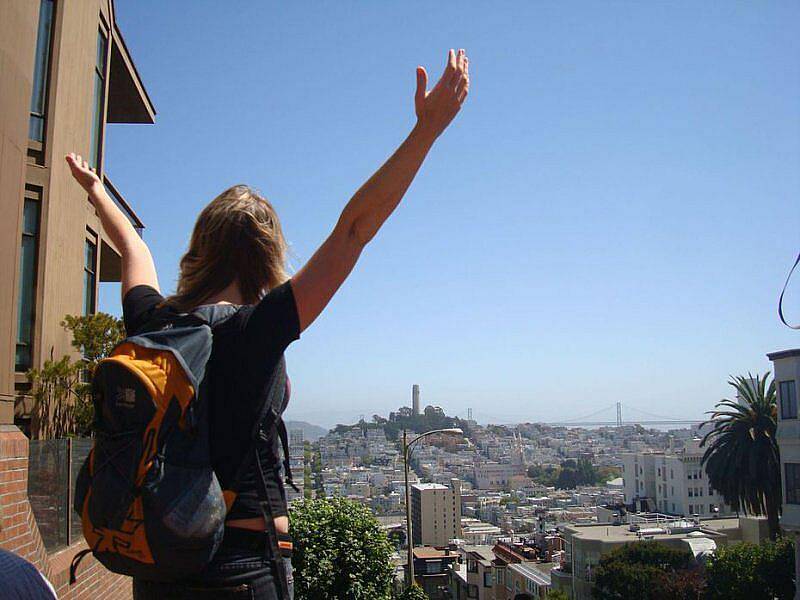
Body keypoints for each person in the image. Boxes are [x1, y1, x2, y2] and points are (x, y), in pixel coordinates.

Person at [65, 49, 469, 600]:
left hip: (154, 570)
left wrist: (95, 190)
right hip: (241, 572)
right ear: (266, 255)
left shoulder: (153, 326)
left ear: (200, 247)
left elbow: (131, 245)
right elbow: (353, 230)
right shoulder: (255, 330)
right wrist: (426, 132)